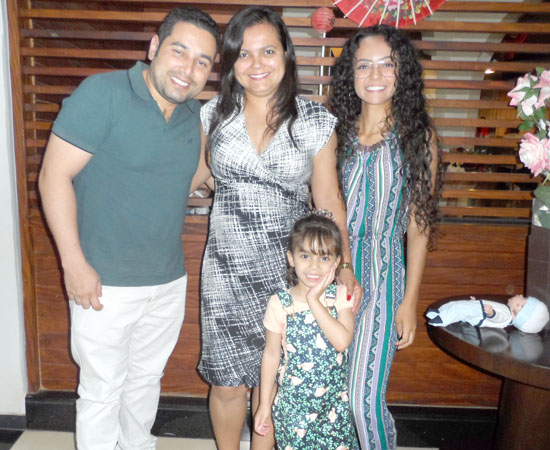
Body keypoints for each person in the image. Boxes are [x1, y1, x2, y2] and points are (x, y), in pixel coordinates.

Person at [38, 7, 218, 450]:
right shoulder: (103, 94)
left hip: (167, 281)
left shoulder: (192, 116)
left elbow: (195, 176)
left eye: (202, 61)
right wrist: (73, 264)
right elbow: (53, 176)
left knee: (145, 382)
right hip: (103, 283)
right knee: (101, 391)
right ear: (154, 47)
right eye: (179, 51)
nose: (188, 68)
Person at [192, 6, 361, 449]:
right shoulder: (213, 115)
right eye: (244, 54)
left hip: (291, 272)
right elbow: (190, 176)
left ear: (285, 54)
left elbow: (328, 202)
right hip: (226, 271)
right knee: (227, 382)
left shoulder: (313, 121)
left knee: (277, 377)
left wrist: (343, 266)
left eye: (267, 51)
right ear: (231, 61)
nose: (256, 63)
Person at [330, 25, 440, 449]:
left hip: (382, 276)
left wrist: (409, 301)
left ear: (402, 72)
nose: (374, 75)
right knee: (330, 398)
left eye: (386, 64)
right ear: (351, 74)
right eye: (364, 65)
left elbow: (419, 225)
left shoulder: (418, 137)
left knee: (362, 401)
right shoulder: (334, 134)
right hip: (328, 277)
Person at [254, 213, 357, 449]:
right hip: (294, 410)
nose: (314, 266)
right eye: (305, 256)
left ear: (336, 262)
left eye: (324, 257)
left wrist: (314, 300)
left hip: (334, 409)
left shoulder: (341, 296)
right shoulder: (280, 303)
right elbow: (271, 355)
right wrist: (264, 405)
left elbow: (342, 341)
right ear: (291, 258)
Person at [426, 295, 550, 333]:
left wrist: (492, 313)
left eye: (522, 298)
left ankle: (442, 319)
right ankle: (439, 312)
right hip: (479, 308)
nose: (519, 295)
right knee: (456, 304)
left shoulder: (506, 316)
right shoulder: (507, 311)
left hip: (480, 313)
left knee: (459, 309)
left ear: (519, 308)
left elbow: (498, 318)